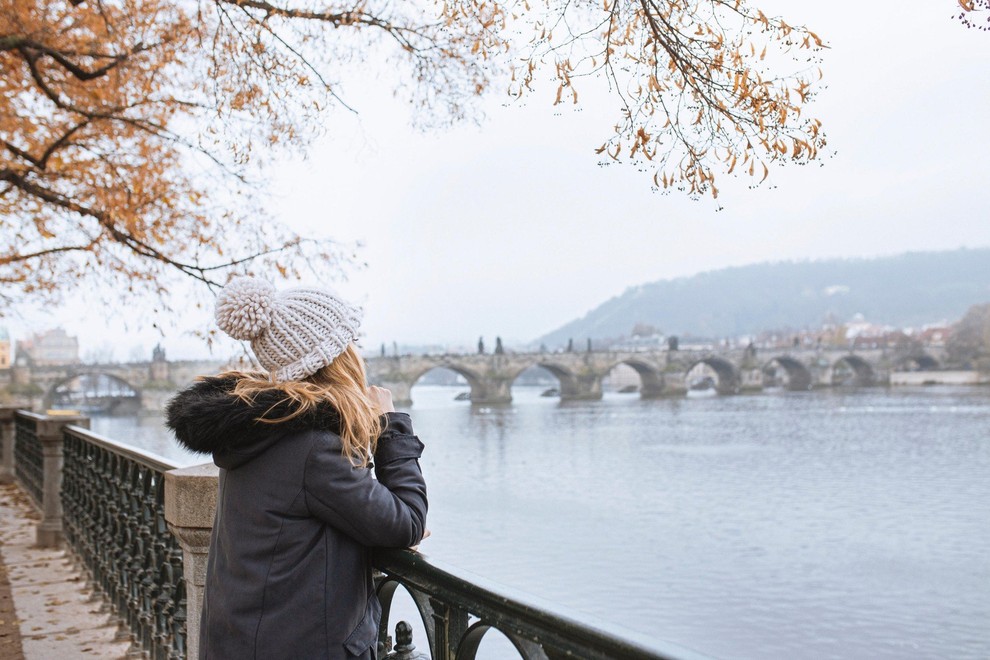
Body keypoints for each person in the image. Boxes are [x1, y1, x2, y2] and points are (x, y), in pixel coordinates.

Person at [165, 276, 428, 660]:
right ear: (338, 358)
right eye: (351, 343)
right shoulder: (313, 450)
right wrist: (391, 427)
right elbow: (407, 523)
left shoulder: (263, 430)